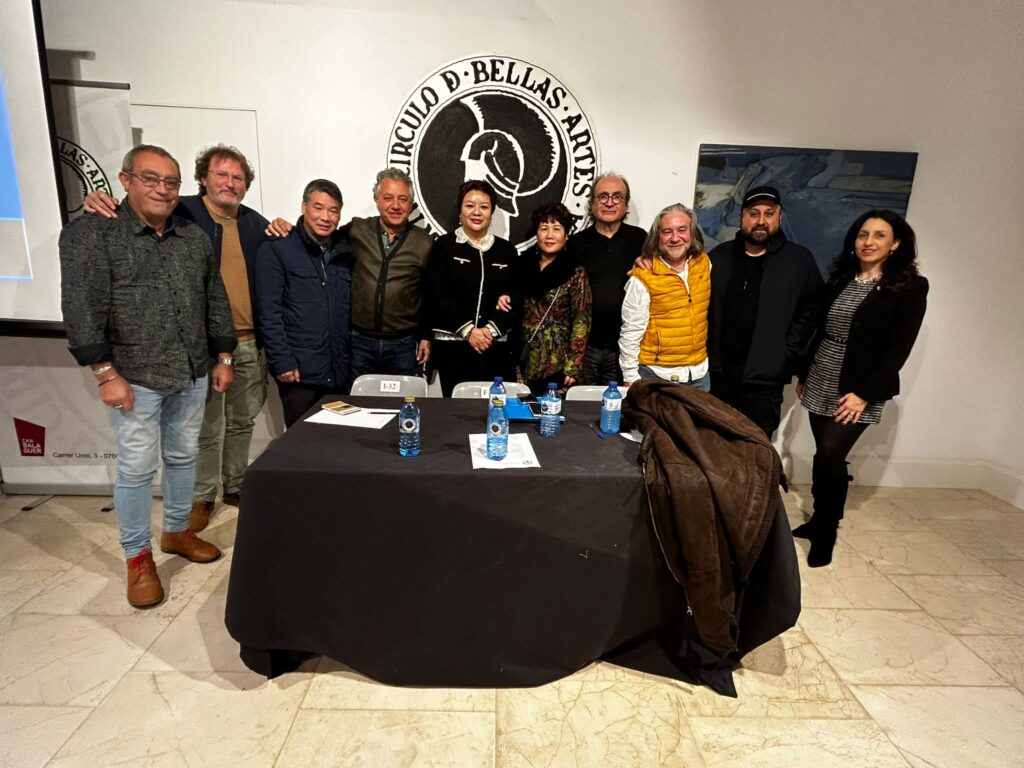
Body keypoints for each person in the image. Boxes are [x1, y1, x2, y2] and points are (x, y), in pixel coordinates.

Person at [60, 144, 234, 609]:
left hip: (192, 370)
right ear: (125, 180)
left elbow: (214, 297)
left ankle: (176, 531)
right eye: (150, 179)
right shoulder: (92, 233)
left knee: (182, 457)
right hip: (133, 375)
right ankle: (138, 558)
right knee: (137, 469)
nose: (162, 189)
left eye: (171, 182)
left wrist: (224, 355)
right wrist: (104, 372)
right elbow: (80, 307)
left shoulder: (192, 237)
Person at [81, 144, 270, 533]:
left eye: (237, 177)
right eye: (221, 174)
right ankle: (202, 497)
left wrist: (285, 224)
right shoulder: (182, 212)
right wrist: (100, 200)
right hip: (193, 350)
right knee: (204, 431)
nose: (230, 183)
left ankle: (235, 486)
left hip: (246, 342)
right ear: (203, 178)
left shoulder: (255, 224)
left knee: (242, 422)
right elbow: (136, 208)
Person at [795, 209, 928, 567]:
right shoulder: (842, 278)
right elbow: (821, 330)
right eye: (862, 235)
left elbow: (899, 348)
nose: (869, 242)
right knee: (824, 455)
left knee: (831, 454)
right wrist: (805, 373)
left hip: (859, 385)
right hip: (823, 372)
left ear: (895, 243)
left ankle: (827, 531)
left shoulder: (910, 287)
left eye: (879, 235)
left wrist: (864, 394)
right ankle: (818, 519)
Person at [268, 169, 433, 380]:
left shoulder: (424, 242)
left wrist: (426, 335)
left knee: (402, 398)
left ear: (411, 204)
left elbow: (430, 293)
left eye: (403, 199)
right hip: (358, 342)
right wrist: (287, 227)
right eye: (388, 198)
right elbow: (319, 233)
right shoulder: (357, 230)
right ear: (376, 200)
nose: (395, 205)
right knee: (358, 398)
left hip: (403, 344)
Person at [707, 185, 824, 438]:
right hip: (718, 376)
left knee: (756, 448)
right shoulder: (719, 257)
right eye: (753, 213)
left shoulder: (798, 261)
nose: (761, 220)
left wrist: (786, 351)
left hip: (764, 381)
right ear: (742, 217)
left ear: (779, 217)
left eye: (769, 213)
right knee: (712, 444)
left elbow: (812, 311)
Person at [255, 179, 353, 427]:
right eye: (318, 207)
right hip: (299, 375)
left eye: (333, 210)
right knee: (301, 443)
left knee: (338, 441)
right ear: (303, 207)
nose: (325, 217)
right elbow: (268, 312)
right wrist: (282, 361)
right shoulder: (277, 249)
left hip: (338, 373)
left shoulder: (345, 252)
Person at [426, 180, 520, 396]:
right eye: (470, 205)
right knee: (456, 409)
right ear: (460, 210)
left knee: (495, 408)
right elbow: (439, 293)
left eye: (484, 207)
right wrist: (469, 331)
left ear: (492, 212)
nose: (477, 212)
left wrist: (488, 332)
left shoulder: (507, 251)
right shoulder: (443, 246)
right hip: (452, 346)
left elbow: (515, 296)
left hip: (493, 345)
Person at [619, 203, 711, 388]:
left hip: (700, 374)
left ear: (691, 233)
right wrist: (630, 378)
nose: (675, 238)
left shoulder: (703, 263)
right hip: (657, 374)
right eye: (667, 232)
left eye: (682, 230)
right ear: (657, 237)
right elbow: (630, 332)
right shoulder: (643, 277)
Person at [569, 173, 646, 385]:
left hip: (626, 347)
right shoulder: (576, 244)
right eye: (603, 196)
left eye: (617, 197)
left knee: (620, 402)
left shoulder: (641, 240)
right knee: (580, 401)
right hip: (585, 346)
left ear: (626, 204)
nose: (609, 203)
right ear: (592, 203)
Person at [517, 202, 591, 395]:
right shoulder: (522, 264)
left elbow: (582, 319)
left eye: (556, 229)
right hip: (522, 355)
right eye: (544, 228)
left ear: (566, 235)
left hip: (557, 358)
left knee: (550, 409)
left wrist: (573, 364)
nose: (549, 235)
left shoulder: (575, 271)